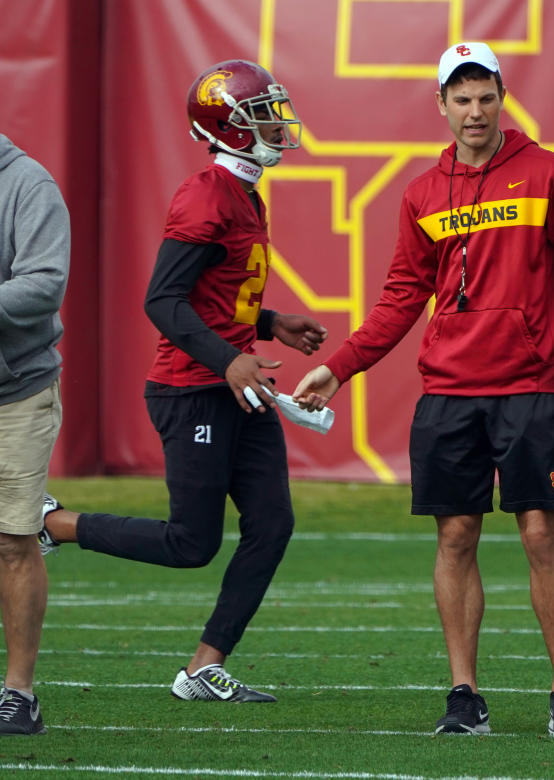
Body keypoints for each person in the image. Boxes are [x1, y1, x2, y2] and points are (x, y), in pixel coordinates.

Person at [293, 42, 554, 736]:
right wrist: (340, 365)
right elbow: (401, 299)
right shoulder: (420, 194)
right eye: (461, 99)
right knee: (456, 536)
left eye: (485, 96)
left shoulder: (551, 175)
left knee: (539, 533)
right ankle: (464, 695)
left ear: (503, 97)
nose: (475, 111)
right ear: (441, 105)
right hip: (448, 394)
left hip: (527, 389)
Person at [38, 60, 327, 702]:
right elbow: (163, 300)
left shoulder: (244, 190)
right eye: (261, 114)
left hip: (234, 383)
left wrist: (271, 322)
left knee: (272, 526)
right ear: (227, 127)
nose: (276, 124)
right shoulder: (205, 195)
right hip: (192, 387)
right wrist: (228, 360)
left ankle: (202, 667)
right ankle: (53, 525)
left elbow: (215, 293)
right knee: (191, 543)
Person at [0, 134, 70, 735]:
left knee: (12, 540)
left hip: (14, 391)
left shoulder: (27, 183)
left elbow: (45, 282)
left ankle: (19, 693)